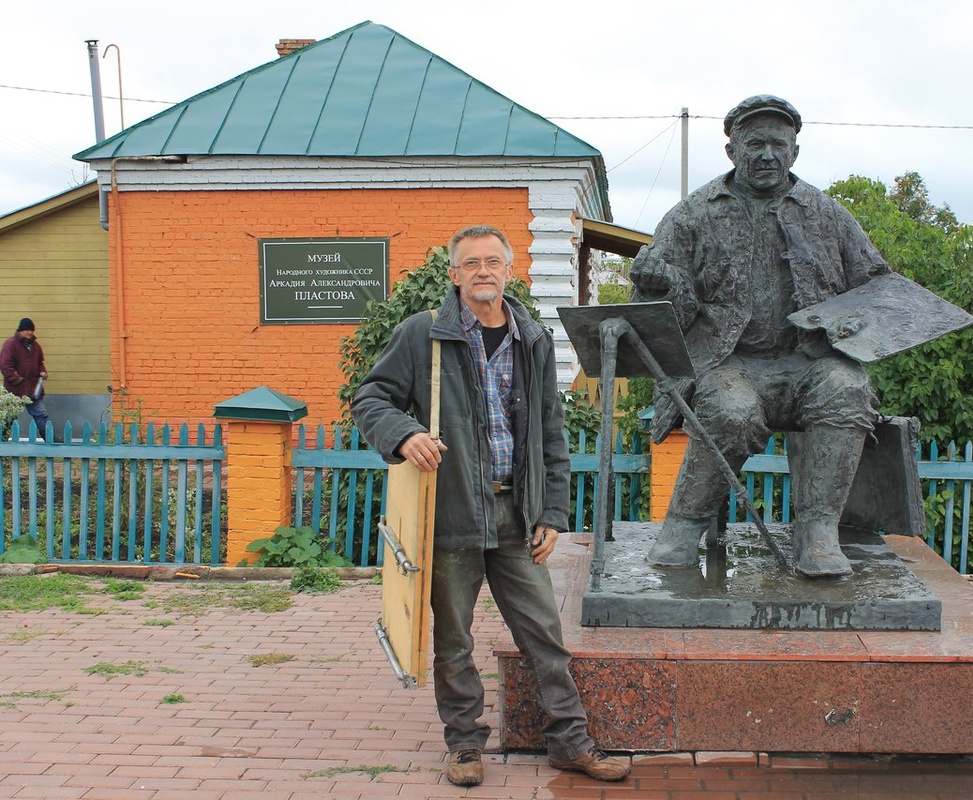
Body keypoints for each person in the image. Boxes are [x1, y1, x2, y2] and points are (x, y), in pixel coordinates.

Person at [352, 225, 630, 787]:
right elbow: (370, 398)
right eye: (471, 263)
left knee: (543, 634)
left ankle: (569, 742)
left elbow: (551, 430)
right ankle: (463, 745)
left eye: (493, 262)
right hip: (451, 513)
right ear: (453, 274)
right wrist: (403, 434)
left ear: (508, 270)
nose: (483, 270)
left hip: (517, 514)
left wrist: (552, 512)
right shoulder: (423, 334)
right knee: (454, 640)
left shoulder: (532, 337)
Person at [630, 95, 892, 578]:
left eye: (778, 144)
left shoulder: (827, 214)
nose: (767, 154)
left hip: (808, 363)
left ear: (795, 151)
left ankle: (818, 532)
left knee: (847, 388)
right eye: (755, 144)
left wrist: (848, 329)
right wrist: (657, 283)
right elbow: (660, 314)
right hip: (728, 363)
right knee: (730, 411)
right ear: (732, 150)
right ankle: (684, 525)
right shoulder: (693, 215)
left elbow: (876, 286)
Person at [0, 318, 49, 441]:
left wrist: (42, 372)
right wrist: (17, 379)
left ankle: (50, 438)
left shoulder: (35, 346)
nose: (30, 332)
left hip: (33, 389)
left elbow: (40, 363)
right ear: (20, 331)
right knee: (8, 418)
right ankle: (2, 441)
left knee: (41, 414)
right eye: (27, 330)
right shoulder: (10, 345)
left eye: (31, 330)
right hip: (14, 390)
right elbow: (5, 366)